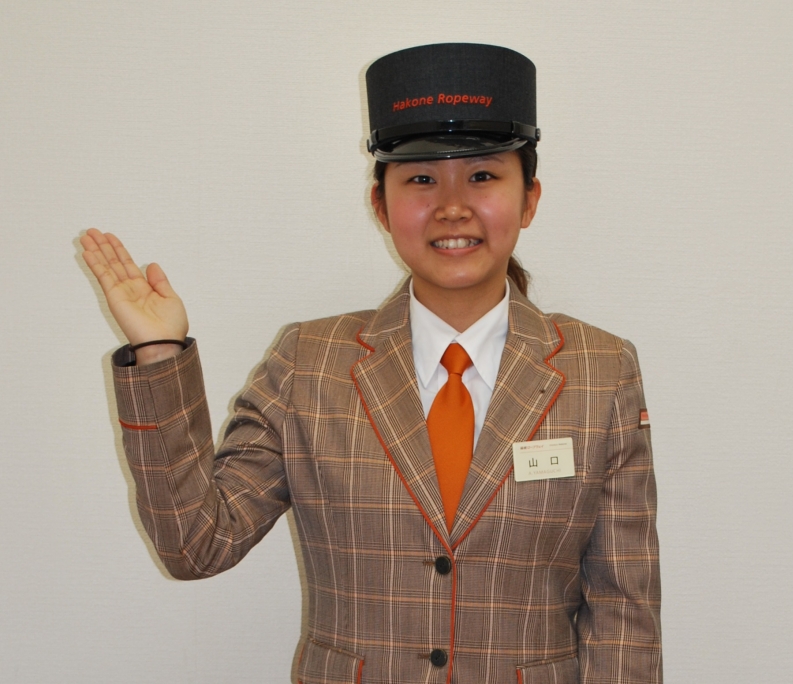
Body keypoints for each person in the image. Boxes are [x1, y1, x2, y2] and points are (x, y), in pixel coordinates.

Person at [80, 43, 662, 684]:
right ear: (381, 205)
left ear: (529, 199)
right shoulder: (308, 366)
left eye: (482, 176)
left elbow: (624, 616)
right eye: (421, 180)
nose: (452, 206)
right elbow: (196, 545)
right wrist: (159, 353)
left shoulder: (601, 371)